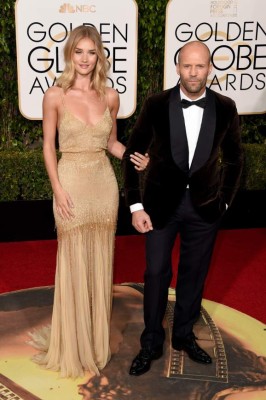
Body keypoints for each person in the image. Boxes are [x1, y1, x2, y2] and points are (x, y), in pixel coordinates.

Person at [29, 25, 149, 378]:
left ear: (99, 56)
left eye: (91, 52)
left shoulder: (110, 97)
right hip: (70, 183)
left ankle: (93, 342)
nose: (84, 59)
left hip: (102, 186)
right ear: (70, 55)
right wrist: (57, 188)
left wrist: (133, 156)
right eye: (78, 51)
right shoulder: (55, 95)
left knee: (100, 259)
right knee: (73, 258)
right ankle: (72, 342)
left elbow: (111, 143)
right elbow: (49, 146)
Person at [122, 40, 243, 376]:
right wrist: (135, 205)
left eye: (199, 66)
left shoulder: (225, 107)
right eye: (187, 66)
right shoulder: (157, 104)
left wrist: (225, 201)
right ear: (177, 68)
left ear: (210, 68)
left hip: (205, 209)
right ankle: (150, 342)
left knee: (194, 275)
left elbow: (235, 158)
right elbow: (133, 154)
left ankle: (184, 335)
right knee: (157, 273)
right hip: (160, 207)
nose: (193, 73)